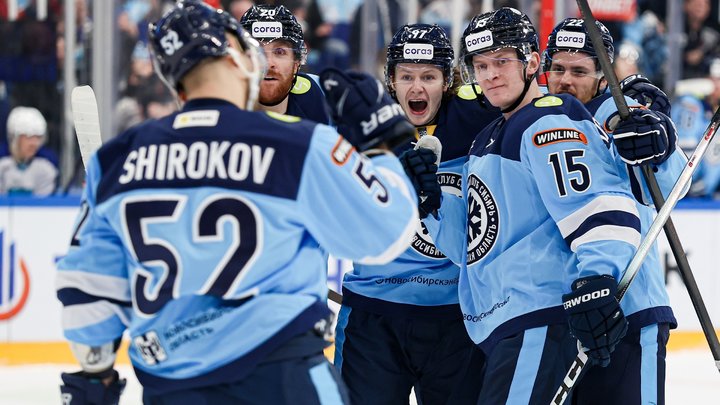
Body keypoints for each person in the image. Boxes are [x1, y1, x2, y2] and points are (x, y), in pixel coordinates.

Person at [55, 1, 419, 404]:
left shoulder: (116, 160)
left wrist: (96, 371)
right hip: (282, 376)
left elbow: (87, 292)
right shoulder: (298, 143)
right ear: (237, 57)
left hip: (172, 385)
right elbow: (386, 233)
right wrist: (381, 149)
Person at [410, 8, 643, 403]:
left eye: (502, 61)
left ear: (532, 63)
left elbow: (596, 205)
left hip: (538, 317)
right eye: (481, 65)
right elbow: (470, 245)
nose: (490, 74)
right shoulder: (485, 138)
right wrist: (431, 200)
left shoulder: (549, 120)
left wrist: (596, 279)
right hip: (500, 325)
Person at [333, 23, 500, 405]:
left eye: (429, 77)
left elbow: (543, 99)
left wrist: (620, 107)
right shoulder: (360, 124)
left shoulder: (478, 113)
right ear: (391, 80)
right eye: (406, 76)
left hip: (458, 319)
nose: (417, 88)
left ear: (448, 81)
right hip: (373, 318)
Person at [542, 17, 683, 404]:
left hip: (629, 308)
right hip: (559, 315)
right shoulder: (533, 120)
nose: (565, 80)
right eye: (558, 69)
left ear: (603, 76)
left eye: (579, 71)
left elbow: (670, 187)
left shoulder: (618, 114)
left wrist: (661, 144)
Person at [239, 4, 331, 124]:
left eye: (280, 52)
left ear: (297, 62)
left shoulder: (322, 94)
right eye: (257, 51)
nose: (268, 63)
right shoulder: (220, 103)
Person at [672, 57, 720, 198]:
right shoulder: (690, 106)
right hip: (687, 194)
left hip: (710, 194)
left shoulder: (713, 107)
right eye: (716, 79)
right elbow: (684, 160)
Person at [0, 106, 58, 196]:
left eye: (38, 137)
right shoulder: (2, 169)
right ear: (14, 138)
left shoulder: (45, 170)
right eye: (28, 137)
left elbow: (42, 202)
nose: (34, 143)